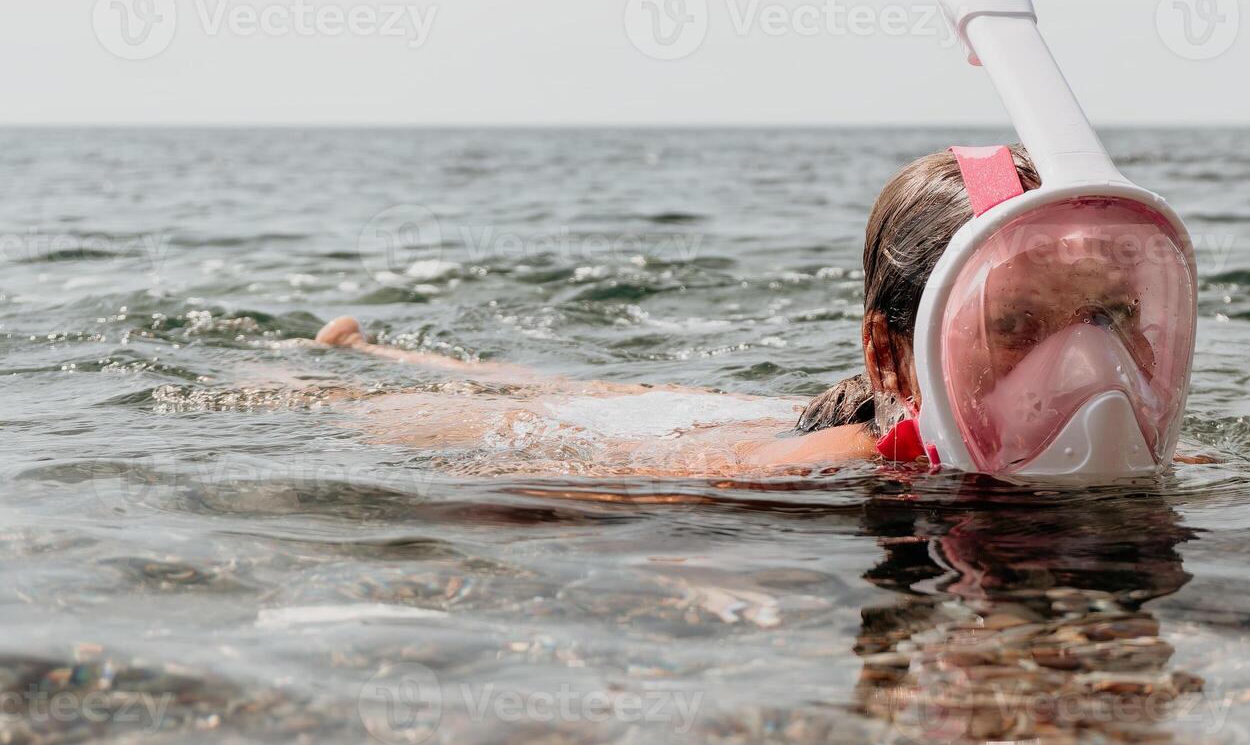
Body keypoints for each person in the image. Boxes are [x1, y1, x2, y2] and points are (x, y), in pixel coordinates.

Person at [309, 147, 1201, 474]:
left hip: (786, 410)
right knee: (546, 399)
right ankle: (369, 359)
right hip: (707, 431)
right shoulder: (807, 471)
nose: (1089, 367)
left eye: (1113, 315)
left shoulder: (1158, 453)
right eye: (1012, 326)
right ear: (894, 358)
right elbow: (555, 469)